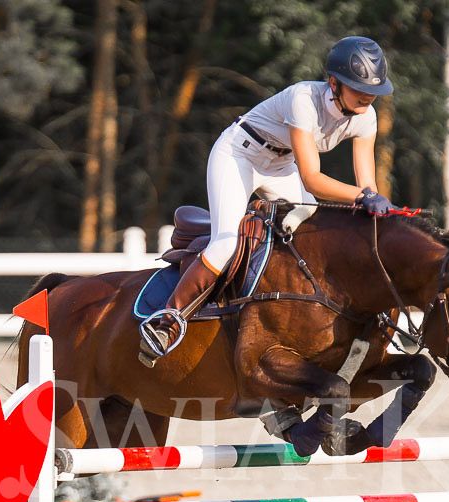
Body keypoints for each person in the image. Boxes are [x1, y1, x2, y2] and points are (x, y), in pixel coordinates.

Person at [138, 36, 397, 367]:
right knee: (226, 244)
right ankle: (167, 321)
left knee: (312, 238)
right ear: (333, 83)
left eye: (373, 91)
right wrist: (364, 197)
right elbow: (312, 179)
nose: (368, 97)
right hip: (239, 154)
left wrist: (376, 205)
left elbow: (367, 185)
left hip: (280, 165)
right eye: (358, 88)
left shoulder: (366, 117)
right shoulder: (304, 99)